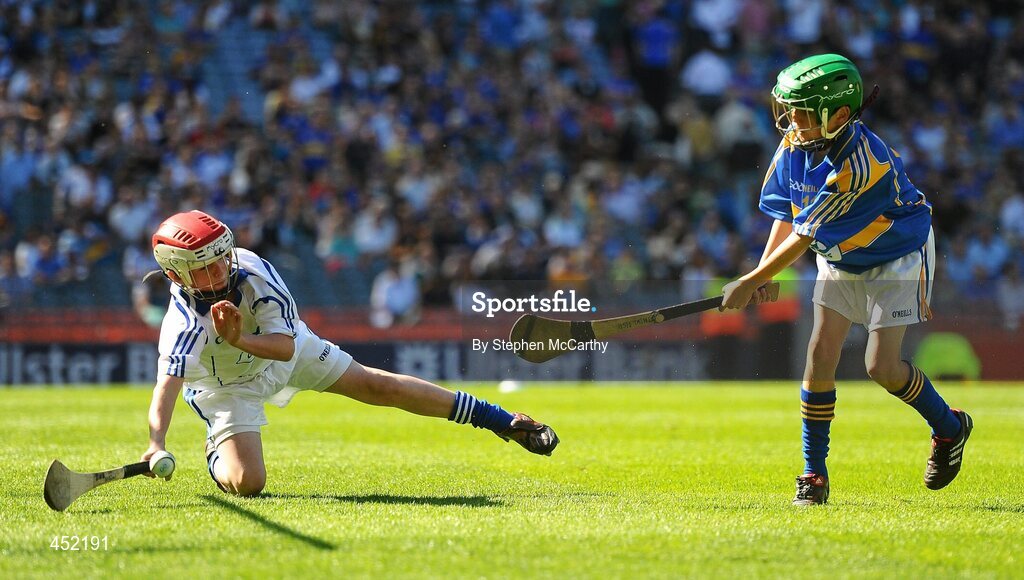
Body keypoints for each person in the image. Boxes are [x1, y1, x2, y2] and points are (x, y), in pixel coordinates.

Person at [140, 210, 558, 496]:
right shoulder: (182, 325)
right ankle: (217, 450)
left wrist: (240, 340)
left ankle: (501, 420)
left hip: (284, 350)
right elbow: (167, 385)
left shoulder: (255, 272)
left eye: (220, 257)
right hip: (227, 389)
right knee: (249, 483)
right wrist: (156, 442)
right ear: (177, 273)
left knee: (377, 385)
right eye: (205, 266)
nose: (220, 269)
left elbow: (285, 348)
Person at [720, 54, 972, 506]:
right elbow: (787, 213)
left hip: (895, 257)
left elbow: (805, 235)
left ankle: (950, 427)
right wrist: (758, 274)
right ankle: (813, 473)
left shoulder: (859, 164)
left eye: (800, 111)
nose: (790, 121)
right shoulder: (796, 143)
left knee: (881, 368)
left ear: (836, 115)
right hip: (839, 256)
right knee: (819, 354)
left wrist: (750, 280)